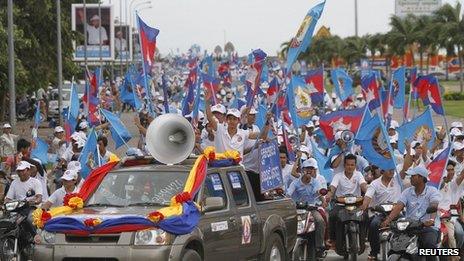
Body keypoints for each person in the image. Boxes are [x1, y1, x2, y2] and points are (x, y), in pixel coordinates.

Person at [381, 166, 441, 261]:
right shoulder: (407, 191)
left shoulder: (432, 191)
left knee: (429, 245)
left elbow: (434, 206)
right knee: (395, 242)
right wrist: (388, 220)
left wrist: (431, 220)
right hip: (409, 227)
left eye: (413, 176)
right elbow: (398, 207)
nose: (410, 178)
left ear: (421, 177)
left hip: (428, 227)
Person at [287, 159, 327, 257]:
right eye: (307, 169)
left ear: (314, 171)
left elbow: (319, 192)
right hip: (296, 209)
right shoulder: (295, 183)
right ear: (302, 170)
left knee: (320, 221)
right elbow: (288, 194)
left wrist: (324, 201)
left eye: (311, 169)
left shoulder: (316, 182)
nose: (309, 171)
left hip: (311, 209)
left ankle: (319, 247)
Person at [326, 154, 368, 246]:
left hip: (356, 205)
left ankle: (364, 236)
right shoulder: (338, 176)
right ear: (344, 165)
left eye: (352, 165)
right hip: (341, 205)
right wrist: (329, 195)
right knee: (332, 215)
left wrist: (369, 192)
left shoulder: (359, 175)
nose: (350, 167)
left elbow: (363, 186)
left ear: (355, 166)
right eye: (348, 165)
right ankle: (332, 239)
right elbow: (332, 187)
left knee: (365, 215)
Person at [361, 167, 402, 260]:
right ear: (383, 171)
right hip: (380, 213)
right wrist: (365, 206)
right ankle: (374, 252)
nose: (392, 171)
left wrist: (408, 151)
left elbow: (405, 167)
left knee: (405, 225)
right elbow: (367, 197)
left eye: (392, 169)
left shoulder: (398, 180)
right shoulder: (374, 184)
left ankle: (402, 250)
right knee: (373, 225)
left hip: (396, 212)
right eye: (389, 169)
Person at [437, 160, 464, 256]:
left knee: (458, 234)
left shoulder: (452, 185)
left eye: (452, 170)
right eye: (448, 170)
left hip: (448, 216)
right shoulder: (435, 185)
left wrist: (461, 216)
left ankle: (455, 256)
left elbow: (461, 176)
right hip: (434, 216)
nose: (451, 172)